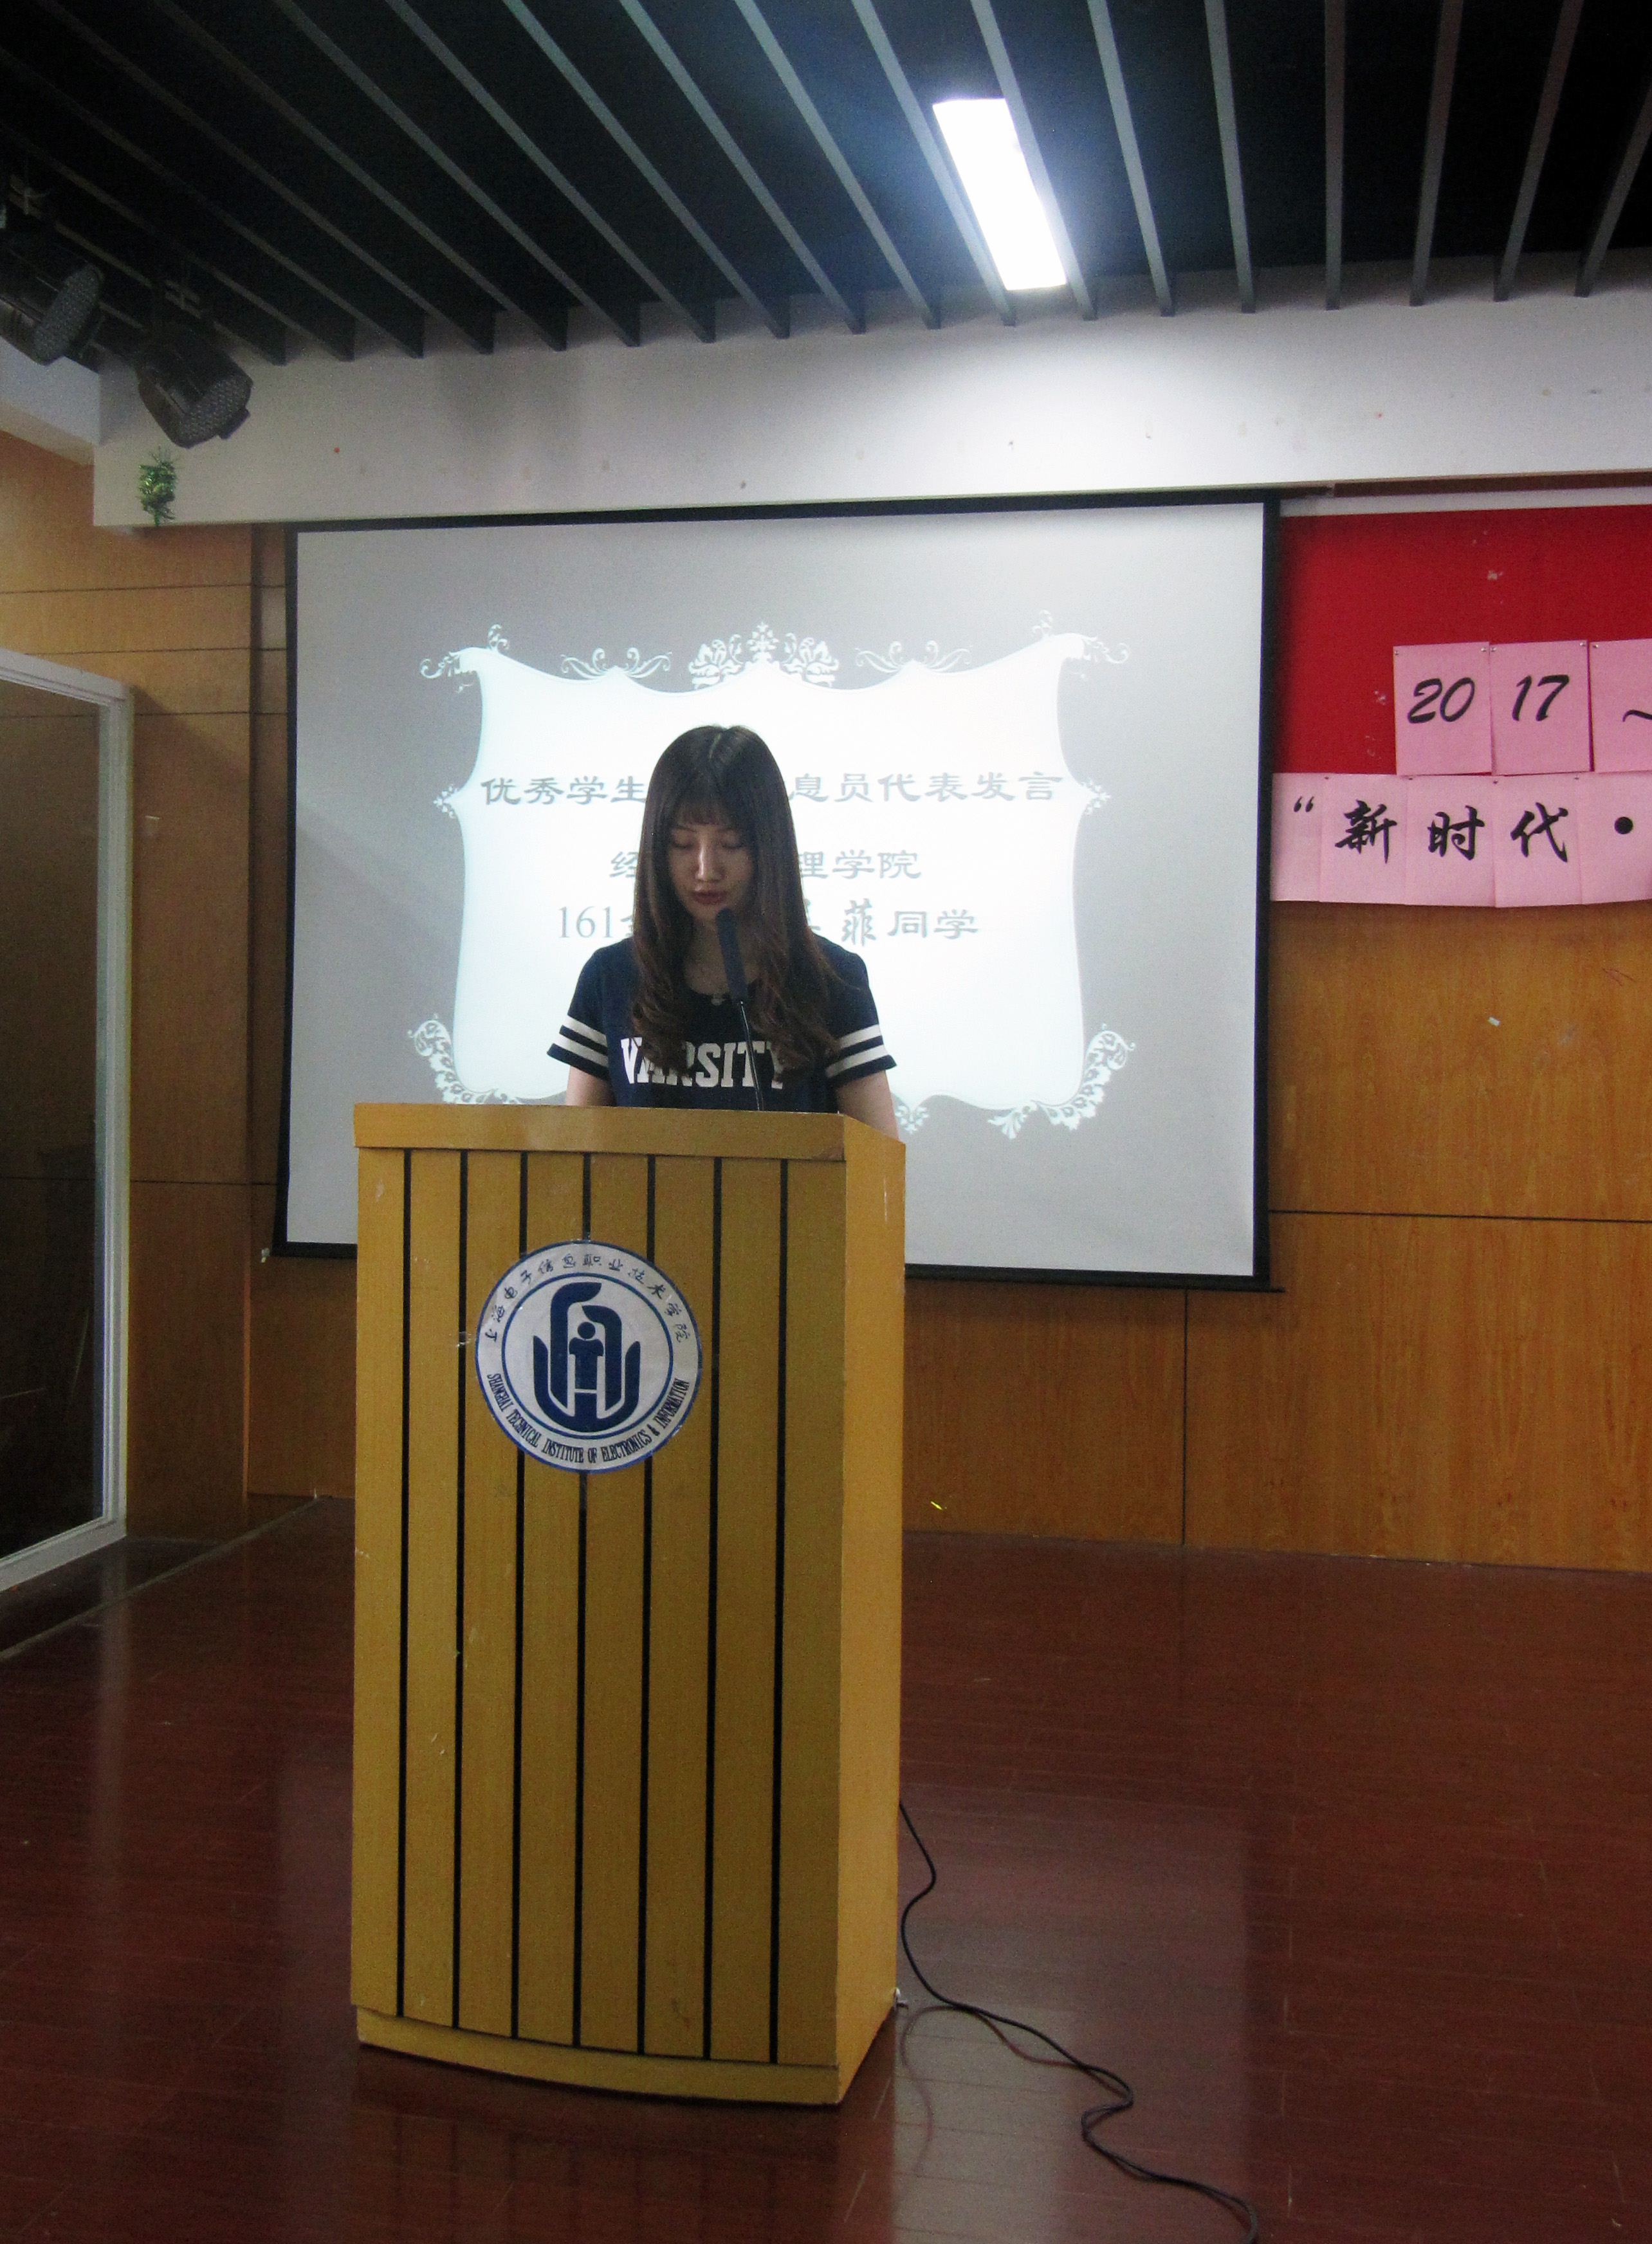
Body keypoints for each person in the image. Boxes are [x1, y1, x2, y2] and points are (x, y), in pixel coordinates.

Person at [550, 724, 899, 1136]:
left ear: (768, 847)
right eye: (682, 843)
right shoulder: (611, 978)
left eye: (731, 843)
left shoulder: (833, 980)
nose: (705, 869)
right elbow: (576, 1153)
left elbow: (880, 1162)